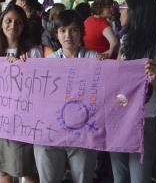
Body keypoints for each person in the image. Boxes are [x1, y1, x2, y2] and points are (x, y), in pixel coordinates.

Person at [110, 0, 156, 183]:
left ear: (136, 11)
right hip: (119, 117)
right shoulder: (124, 41)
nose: (119, 12)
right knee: (119, 177)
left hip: (144, 122)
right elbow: (117, 82)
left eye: (124, 7)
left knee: (139, 178)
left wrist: (154, 79)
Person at [34, 10, 98, 183]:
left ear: (81, 33)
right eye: (62, 30)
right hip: (51, 134)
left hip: (83, 134)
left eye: (74, 30)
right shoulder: (48, 63)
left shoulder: (95, 60)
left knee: (83, 179)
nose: (68, 35)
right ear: (57, 34)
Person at [0, 4, 41, 183]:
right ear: (1, 23)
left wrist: (27, 67)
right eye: (9, 21)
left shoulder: (33, 52)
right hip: (1, 119)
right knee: (3, 170)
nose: (13, 25)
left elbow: (40, 86)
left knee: (29, 169)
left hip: (24, 119)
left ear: (24, 27)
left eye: (18, 22)